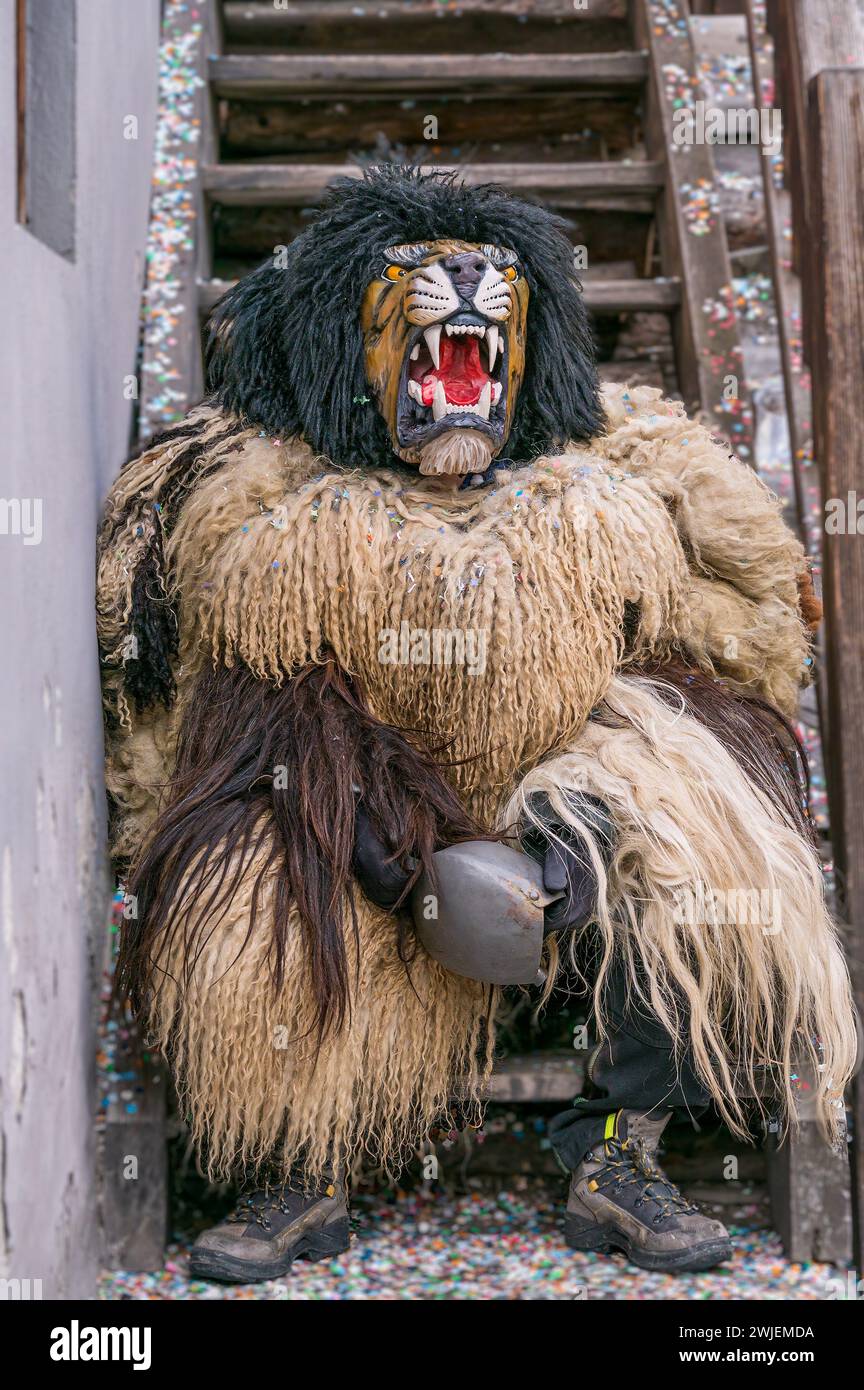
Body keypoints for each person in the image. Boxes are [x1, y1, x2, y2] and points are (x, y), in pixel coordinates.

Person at [97, 166, 855, 1282]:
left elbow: (713, 674)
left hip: (554, 807)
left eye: (489, 281)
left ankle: (616, 1153)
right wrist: (360, 824)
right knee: (248, 877)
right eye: (412, 281)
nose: (459, 288)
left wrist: (599, 808)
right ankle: (298, 1164)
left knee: (700, 843)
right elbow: (241, 713)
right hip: (360, 828)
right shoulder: (267, 524)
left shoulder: (621, 504)